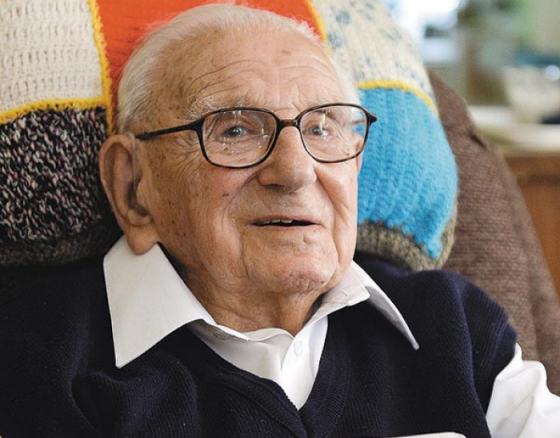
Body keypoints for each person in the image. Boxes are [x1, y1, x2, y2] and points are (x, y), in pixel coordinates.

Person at [0, 4, 559, 437]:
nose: (295, 171)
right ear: (133, 187)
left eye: (321, 128)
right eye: (235, 129)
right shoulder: (35, 360)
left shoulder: (452, 325)